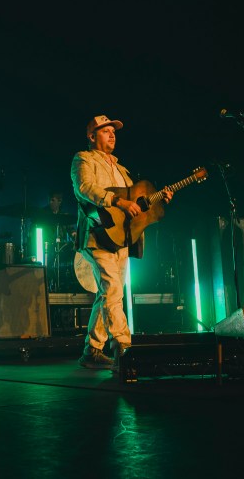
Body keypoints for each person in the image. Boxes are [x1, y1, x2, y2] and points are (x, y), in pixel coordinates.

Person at [71, 115, 172, 369]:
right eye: (105, 131)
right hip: (97, 234)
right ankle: (124, 345)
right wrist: (117, 202)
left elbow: (138, 203)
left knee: (108, 293)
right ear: (92, 136)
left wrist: (159, 199)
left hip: (122, 238)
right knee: (113, 289)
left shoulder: (122, 170)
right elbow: (85, 188)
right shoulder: (83, 159)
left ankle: (92, 351)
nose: (112, 134)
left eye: (113, 131)